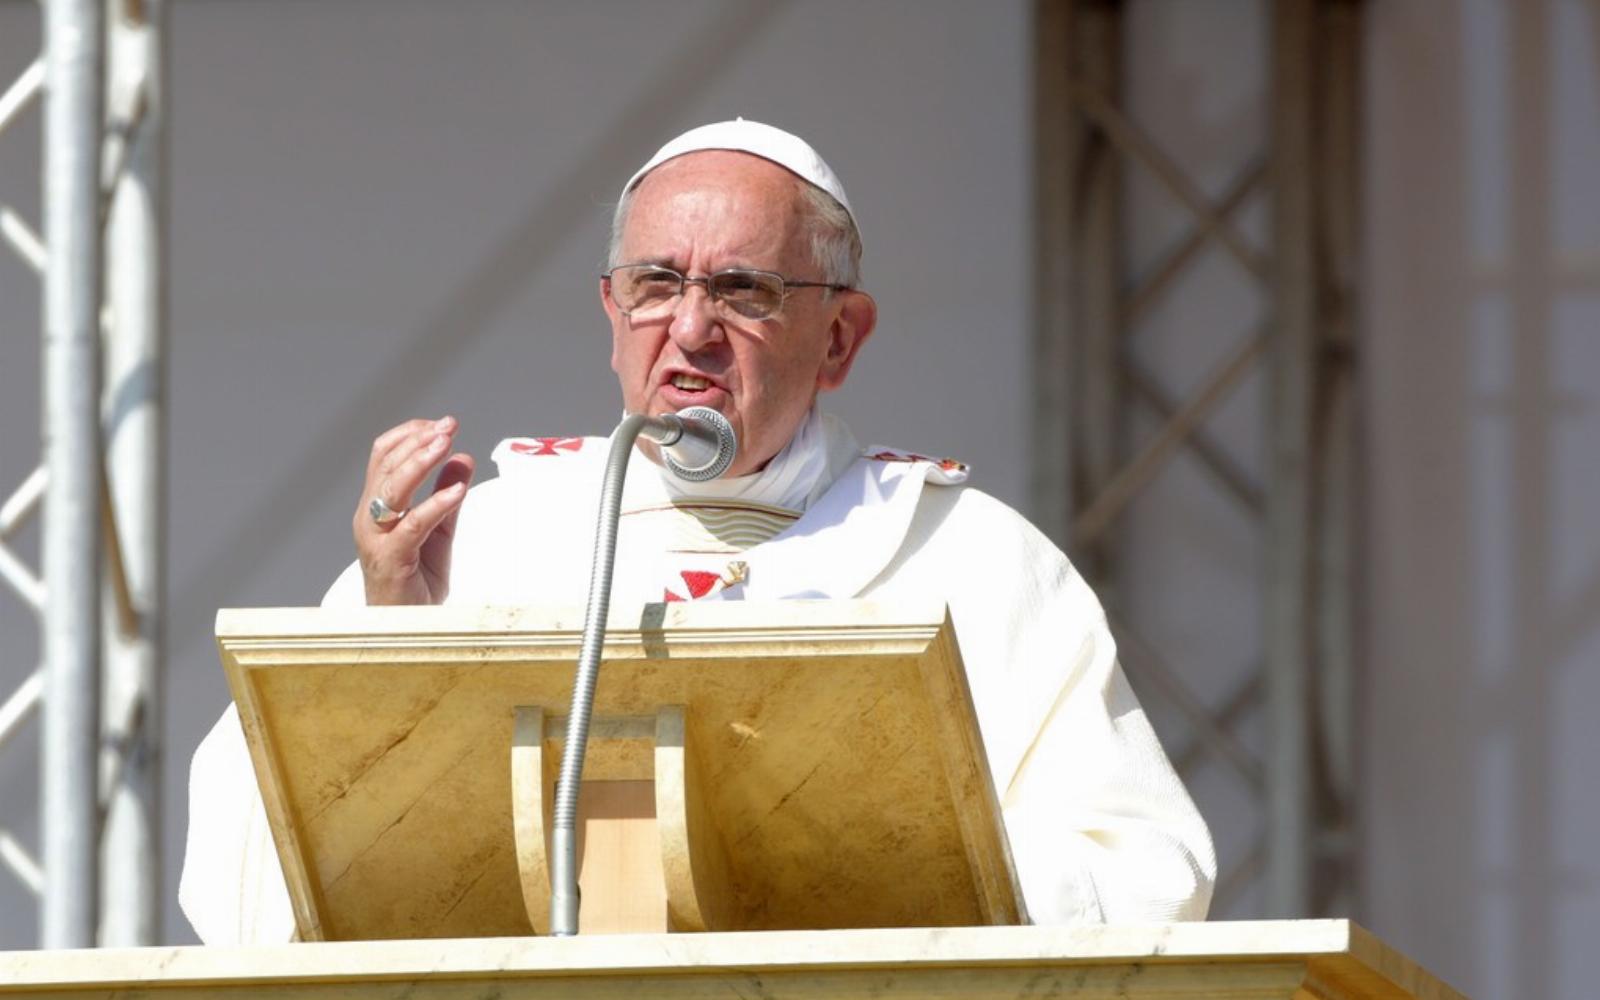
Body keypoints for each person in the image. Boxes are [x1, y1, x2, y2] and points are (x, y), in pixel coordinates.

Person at [180, 120, 1215, 944]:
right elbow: (241, 879)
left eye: (742, 290)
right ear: (610, 313)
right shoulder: (479, 540)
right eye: (656, 285)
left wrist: (890, 854)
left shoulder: (971, 561)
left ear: (839, 337)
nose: (689, 330)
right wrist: (386, 641)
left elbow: (1149, 879)